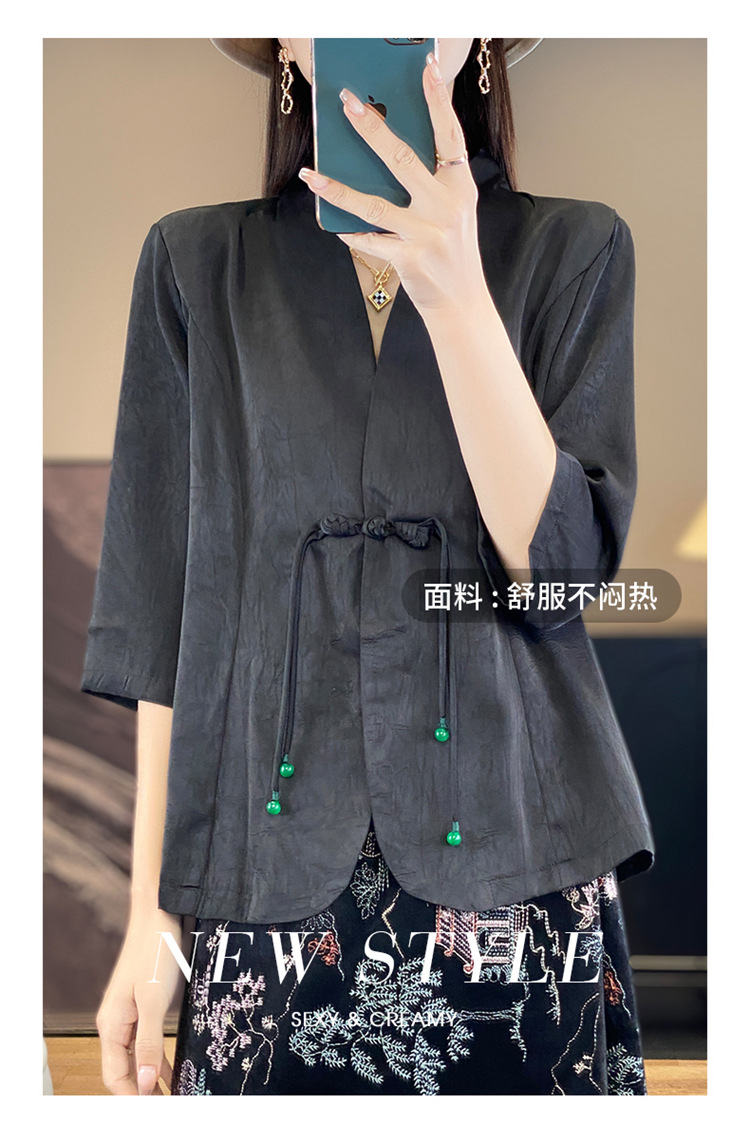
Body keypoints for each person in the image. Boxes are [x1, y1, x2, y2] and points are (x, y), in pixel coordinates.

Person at [82, 37, 655, 1096]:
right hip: (262, 873)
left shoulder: (576, 249)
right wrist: (152, 920)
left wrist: (458, 292)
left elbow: (561, 580)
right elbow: (167, 625)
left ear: (479, 43)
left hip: (521, 867)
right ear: (285, 47)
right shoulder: (193, 266)